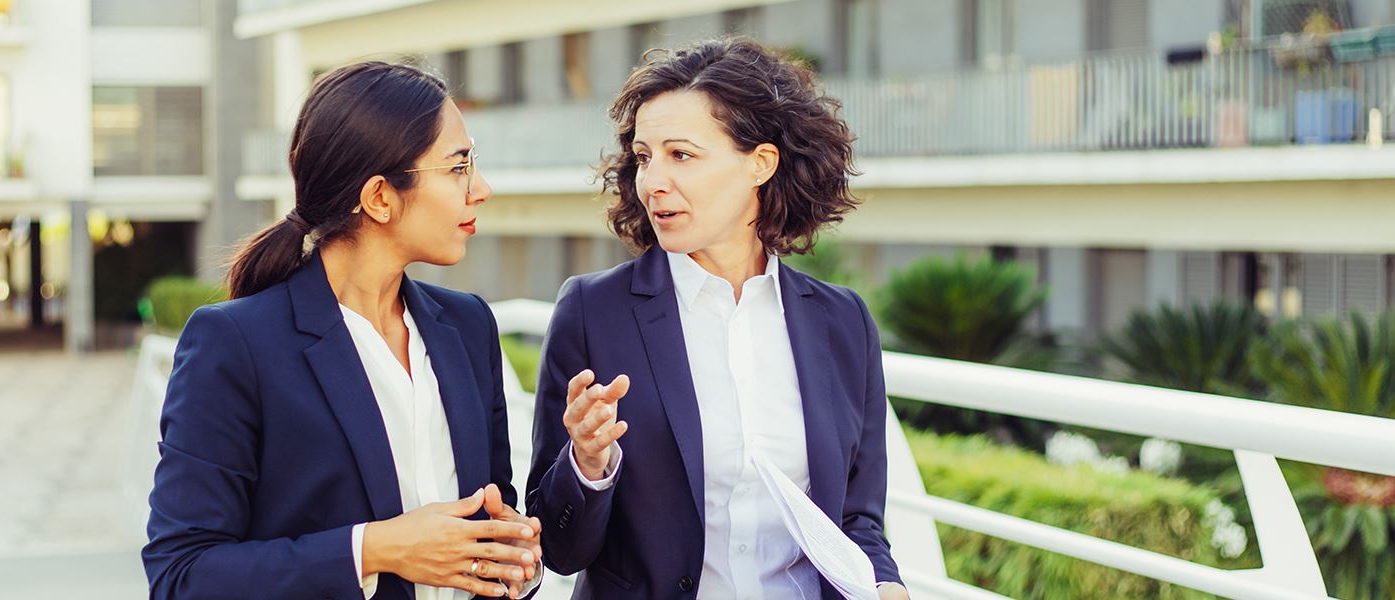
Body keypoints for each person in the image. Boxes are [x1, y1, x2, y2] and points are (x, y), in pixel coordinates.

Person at [143, 61, 542, 600]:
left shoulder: (469, 327)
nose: (482, 189)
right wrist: (374, 550)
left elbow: (493, 531)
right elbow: (182, 575)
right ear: (380, 197)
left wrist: (514, 561)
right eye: (458, 167)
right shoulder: (235, 344)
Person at [526, 38, 908, 599]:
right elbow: (559, 550)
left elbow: (857, 519)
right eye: (644, 157)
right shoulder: (592, 311)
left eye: (681, 155)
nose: (653, 181)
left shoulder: (842, 321)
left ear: (761, 164)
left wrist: (886, 584)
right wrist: (586, 463)